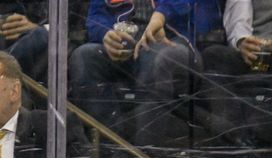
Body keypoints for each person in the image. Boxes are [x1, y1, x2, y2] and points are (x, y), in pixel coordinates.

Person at [68, 0, 222, 147]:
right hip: (127, 48)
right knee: (83, 57)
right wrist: (106, 34)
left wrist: (161, 15)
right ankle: (111, 152)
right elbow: (95, 16)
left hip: (170, 40)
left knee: (157, 62)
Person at [201, 0, 272, 147]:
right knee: (214, 55)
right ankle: (234, 138)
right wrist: (242, 41)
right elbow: (238, 16)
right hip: (258, 50)